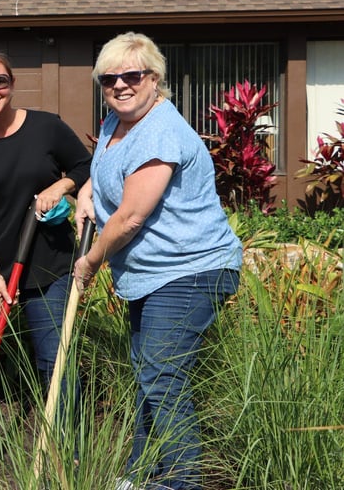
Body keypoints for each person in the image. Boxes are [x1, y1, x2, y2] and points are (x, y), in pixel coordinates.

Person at [72, 32, 242, 490]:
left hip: (191, 270)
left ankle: (180, 482)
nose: (121, 85)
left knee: (162, 376)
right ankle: (142, 473)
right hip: (151, 274)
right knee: (150, 373)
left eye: (132, 75)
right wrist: (87, 194)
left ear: (154, 78)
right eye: (110, 78)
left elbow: (129, 218)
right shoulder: (115, 122)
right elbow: (105, 170)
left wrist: (88, 263)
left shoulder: (161, 129)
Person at [0, 50, 91, 453]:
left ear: (11, 83)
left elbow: (84, 165)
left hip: (48, 266)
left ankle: (68, 449)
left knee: (53, 362)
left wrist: (61, 186)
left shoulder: (46, 128)